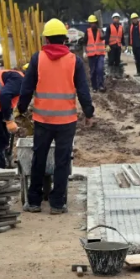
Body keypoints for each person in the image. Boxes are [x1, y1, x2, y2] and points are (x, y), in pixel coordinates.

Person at [18, 18, 95, 214]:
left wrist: (21, 108)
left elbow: (26, 87)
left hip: (42, 120)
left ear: (46, 39)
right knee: (62, 161)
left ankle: (34, 201)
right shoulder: (74, 61)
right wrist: (89, 113)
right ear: (64, 39)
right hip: (66, 121)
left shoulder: (37, 59)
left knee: (39, 158)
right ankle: (57, 203)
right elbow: (83, 90)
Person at [85, 15, 107, 93]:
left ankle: (101, 85)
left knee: (100, 69)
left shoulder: (100, 30)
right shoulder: (87, 31)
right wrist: (85, 52)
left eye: (94, 23)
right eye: (91, 23)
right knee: (93, 71)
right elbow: (85, 42)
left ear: (96, 23)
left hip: (100, 53)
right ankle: (94, 86)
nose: (93, 24)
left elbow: (103, 37)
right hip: (91, 55)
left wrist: (100, 30)